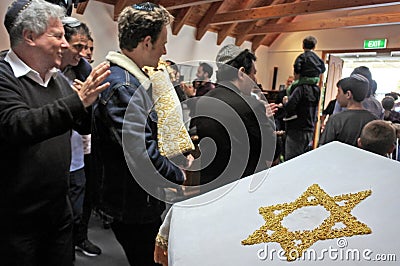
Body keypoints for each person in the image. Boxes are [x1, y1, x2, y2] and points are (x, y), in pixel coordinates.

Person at [0, 1, 110, 265]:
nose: (65, 43)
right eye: (58, 35)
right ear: (29, 36)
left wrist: (91, 104)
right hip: (16, 219)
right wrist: (77, 101)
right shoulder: (4, 75)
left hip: (57, 213)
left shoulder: (58, 78)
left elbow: (80, 124)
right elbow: (18, 124)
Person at [93, 3, 186, 265]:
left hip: (136, 195)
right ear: (146, 42)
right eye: (162, 43)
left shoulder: (129, 79)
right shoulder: (124, 86)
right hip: (131, 200)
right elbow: (140, 152)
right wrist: (181, 175)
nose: (165, 50)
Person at [194, 44, 276, 186]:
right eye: (253, 73)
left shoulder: (202, 101)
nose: (255, 80)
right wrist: (267, 121)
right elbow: (270, 151)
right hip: (242, 186)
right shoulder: (251, 105)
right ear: (241, 72)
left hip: (210, 184)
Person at [59, 17, 102, 257]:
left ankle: (79, 239)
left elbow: (86, 123)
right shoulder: (46, 73)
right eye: (79, 47)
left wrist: (85, 105)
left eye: (88, 48)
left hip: (77, 153)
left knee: (79, 205)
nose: (84, 53)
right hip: (52, 158)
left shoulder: (84, 73)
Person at [319, 74, 377, 146]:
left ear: (348, 94)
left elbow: (324, 148)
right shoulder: (374, 120)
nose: (337, 96)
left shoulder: (336, 120)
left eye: (339, 92)